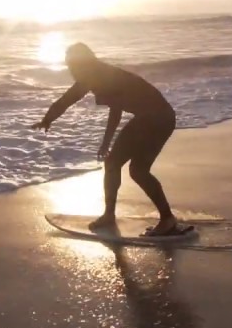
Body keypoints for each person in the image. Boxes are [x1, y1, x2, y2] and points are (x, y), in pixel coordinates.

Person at [33, 42, 182, 235]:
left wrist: (48, 119)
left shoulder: (97, 76)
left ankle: (160, 218)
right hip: (164, 117)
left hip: (153, 118)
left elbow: (75, 102)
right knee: (133, 168)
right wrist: (48, 120)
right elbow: (79, 103)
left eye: (71, 65)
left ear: (83, 63)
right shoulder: (98, 74)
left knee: (124, 167)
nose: (70, 70)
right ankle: (158, 217)